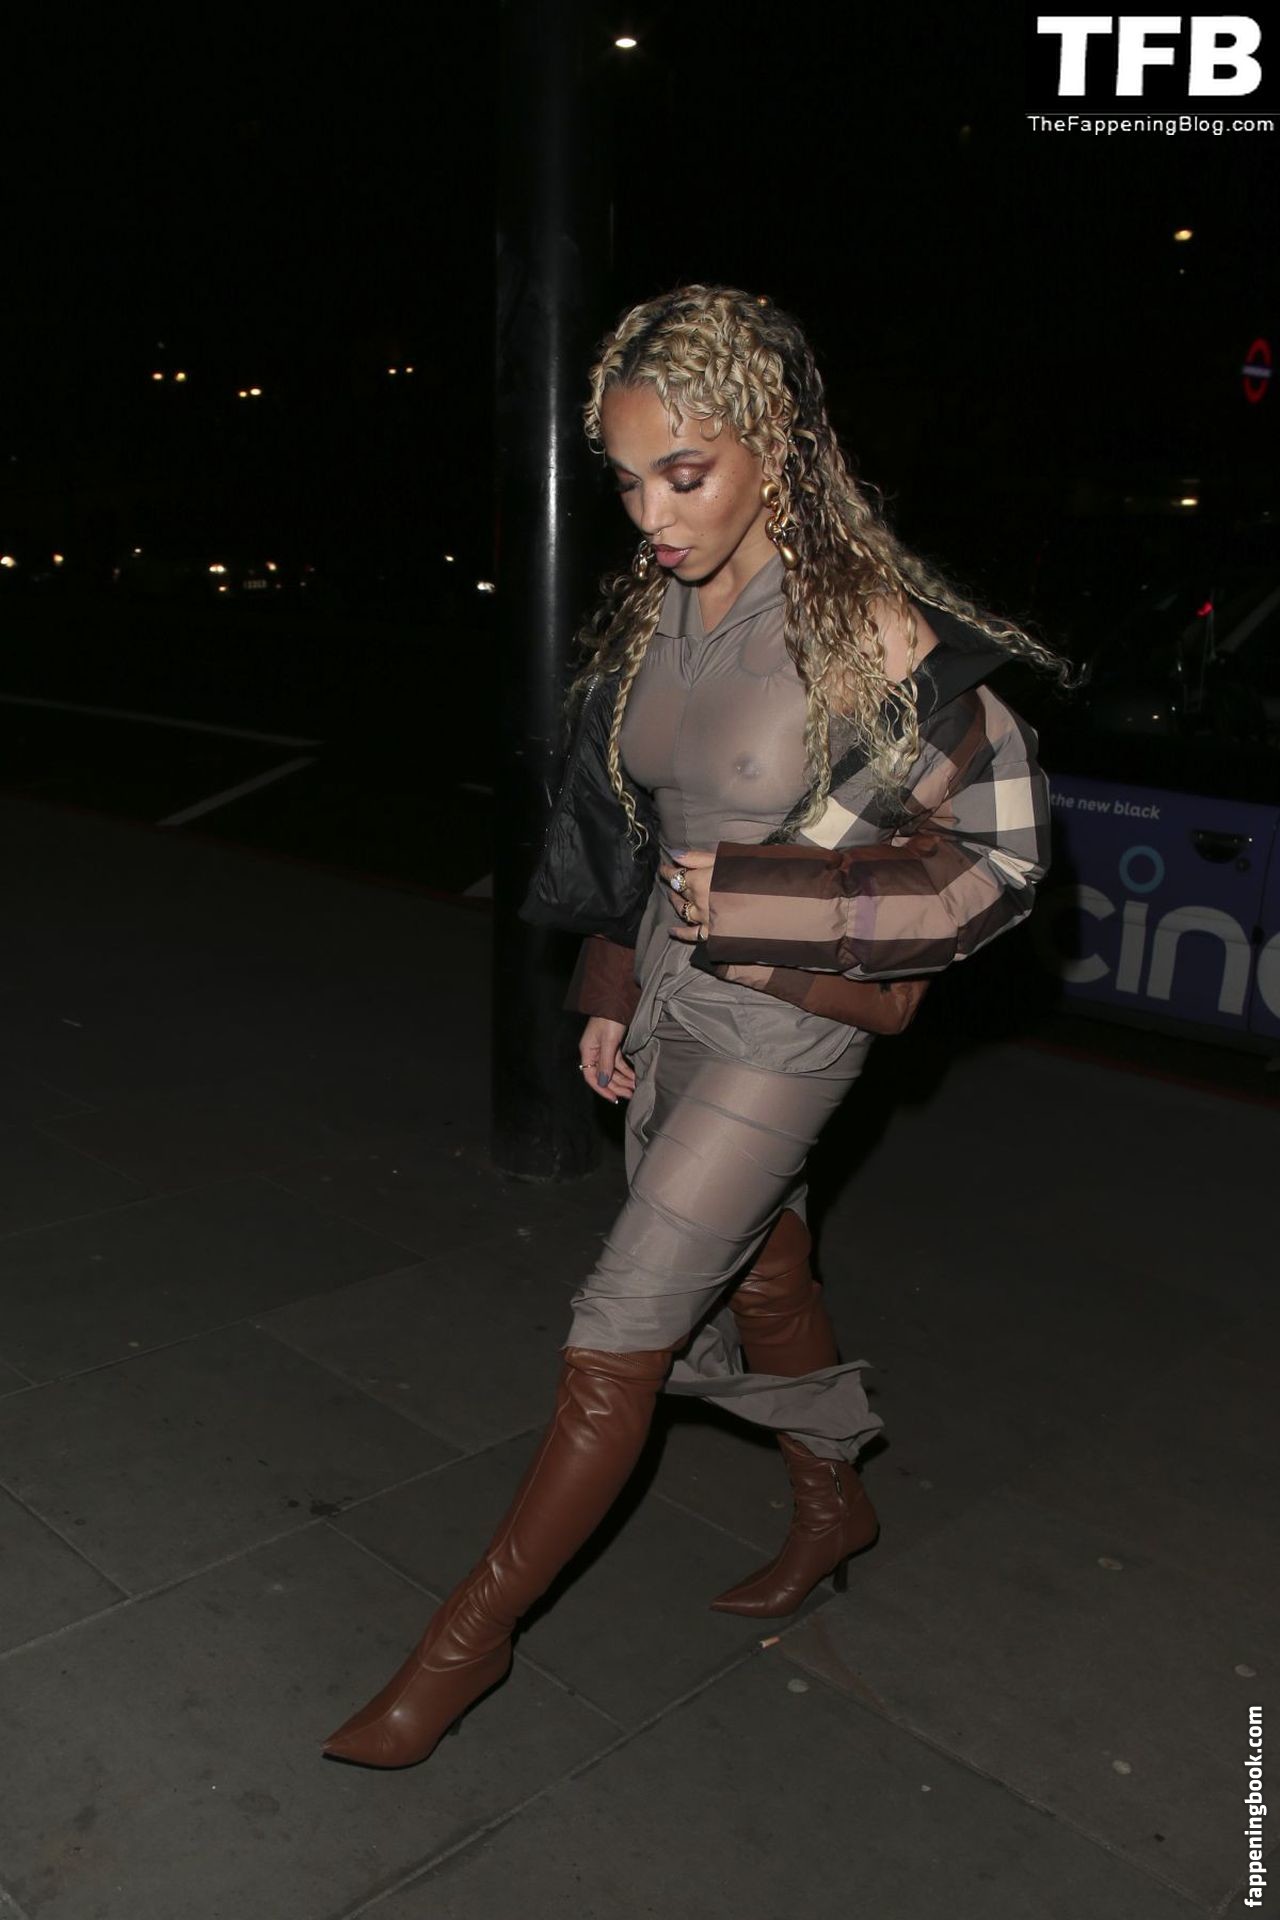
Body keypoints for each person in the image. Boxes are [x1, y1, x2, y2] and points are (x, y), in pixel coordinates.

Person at [322, 283, 1067, 1770]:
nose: (651, 515)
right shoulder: (668, 603)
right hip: (669, 987)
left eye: (683, 473)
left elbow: (1001, 858)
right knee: (764, 1262)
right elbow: (643, 821)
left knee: (626, 1317)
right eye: (626, 480)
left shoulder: (874, 635)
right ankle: (832, 1504)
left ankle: (460, 1650)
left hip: (790, 1017)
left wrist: (766, 901)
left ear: (773, 446)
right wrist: (611, 987)